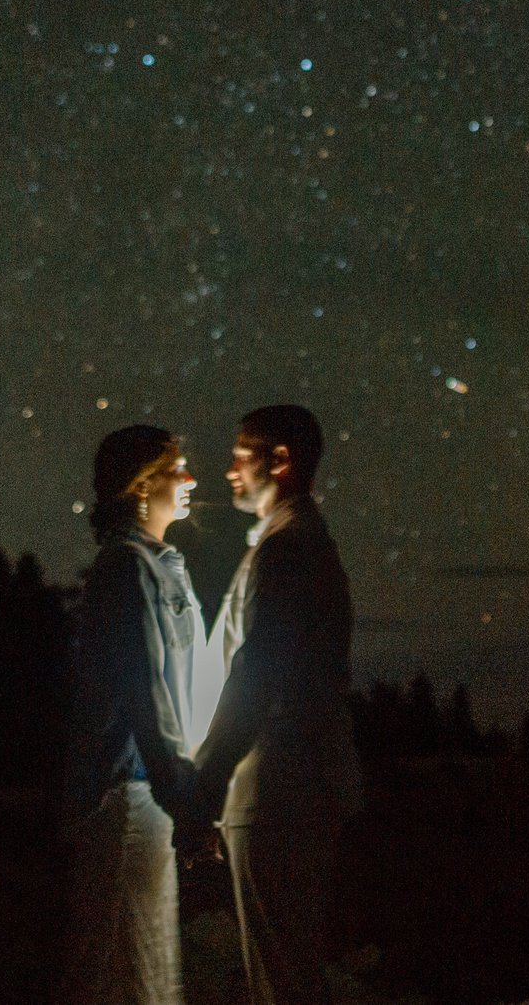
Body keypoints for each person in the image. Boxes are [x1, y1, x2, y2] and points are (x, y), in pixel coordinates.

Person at [192, 404, 361, 1005]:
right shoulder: (294, 545)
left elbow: (255, 675)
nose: (230, 469)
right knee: (283, 969)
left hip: (278, 790)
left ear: (281, 460)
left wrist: (204, 784)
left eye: (242, 454)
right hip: (289, 787)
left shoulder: (288, 550)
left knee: (280, 977)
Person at [60, 423, 206, 1005]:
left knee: (145, 969)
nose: (191, 479)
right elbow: (147, 693)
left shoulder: (156, 563)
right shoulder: (126, 568)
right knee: (128, 973)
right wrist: (186, 801)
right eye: (178, 468)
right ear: (141, 485)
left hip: (147, 795)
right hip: (127, 795)